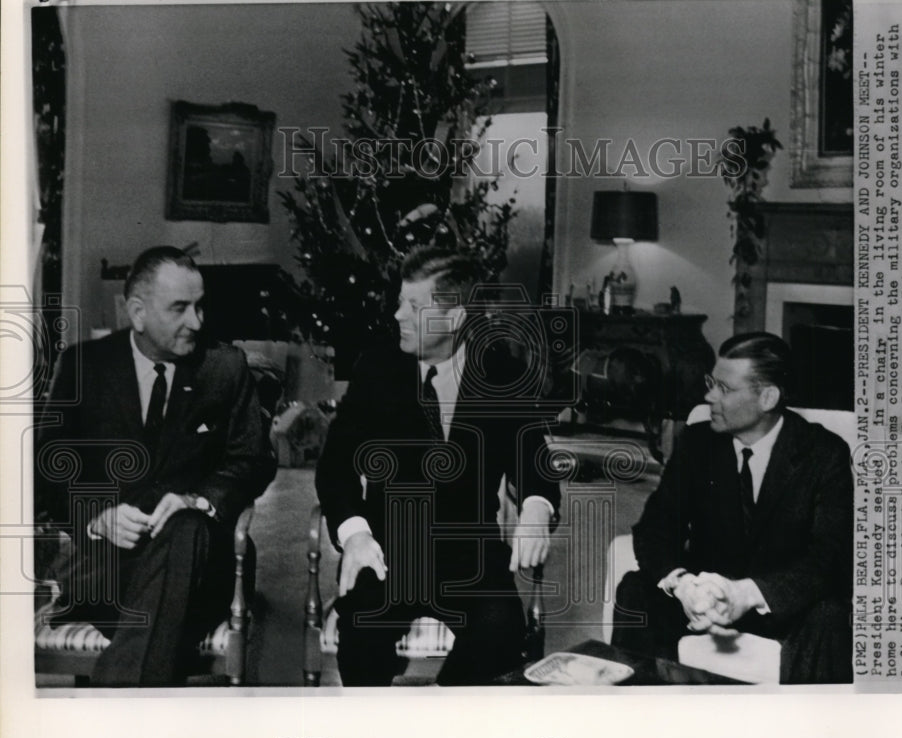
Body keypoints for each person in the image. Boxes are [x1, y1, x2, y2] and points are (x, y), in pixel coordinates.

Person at [315, 246, 561, 686]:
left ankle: (445, 723)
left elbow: (533, 457)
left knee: (501, 633)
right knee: (362, 637)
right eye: (399, 302)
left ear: (453, 318)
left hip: (469, 554)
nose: (397, 316)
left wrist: (537, 506)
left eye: (413, 306)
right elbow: (336, 466)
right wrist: (354, 535)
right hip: (388, 550)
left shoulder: (498, 371)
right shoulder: (378, 368)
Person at [37, 246, 276, 686]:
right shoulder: (84, 367)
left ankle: (119, 702)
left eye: (200, 306)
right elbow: (47, 475)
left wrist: (199, 500)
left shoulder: (224, 368)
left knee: (185, 528)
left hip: (204, 569)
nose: (197, 322)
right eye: (180, 308)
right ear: (138, 312)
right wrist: (99, 518)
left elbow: (254, 460)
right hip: (110, 571)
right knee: (162, 604)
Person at [612, 332, 853, 683]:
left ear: (767, 397)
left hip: (780, 605)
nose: (708, 396)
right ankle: (643, 719)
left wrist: (748, 593)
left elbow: (829, 557)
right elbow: (657, 527)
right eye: (711, 382)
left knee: (829, 616)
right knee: (636, 588)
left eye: (724, 389)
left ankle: (809, 729)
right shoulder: (698, 443)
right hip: (704, 599)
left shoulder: (824, 454)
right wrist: (683, 586)